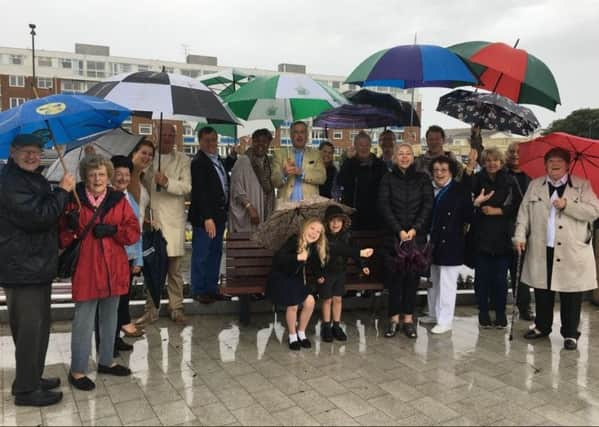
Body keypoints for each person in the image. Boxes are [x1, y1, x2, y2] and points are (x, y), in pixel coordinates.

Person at [0, 134, 74, 407]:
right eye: (26, 152)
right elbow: (39, 216)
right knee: (30, 329)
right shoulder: (9, 182)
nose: (33, 157)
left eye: (36, 152)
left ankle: (31, 377)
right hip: (23, 267)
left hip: (36, 264)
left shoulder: (29, 177)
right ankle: (26, 391)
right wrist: (63, 191)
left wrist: (59, 192)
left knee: (40, 327)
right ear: (13, 152)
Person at [60, 155, 140, 391]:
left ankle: (106, 361)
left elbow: (133, 232)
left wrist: (114, 229)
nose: (97, 179)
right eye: (93, 174)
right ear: (86, 176)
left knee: (110, 318)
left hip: (114, 268)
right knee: (83, 321)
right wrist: (69, 224)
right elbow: (62, 237)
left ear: (109, 176)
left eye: (102, 174)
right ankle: (77, 370)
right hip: (86, 268)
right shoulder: (74, 199)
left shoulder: (119, 200)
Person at [514, 147, 599, 350]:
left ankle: (570, 333)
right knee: (542, 289)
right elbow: (523, 214)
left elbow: (594, 211)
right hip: (542, 247)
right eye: (550, 160)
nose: (555, 163)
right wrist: (519, 236)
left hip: (571, 249)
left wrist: (567, 205)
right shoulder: (535, 185)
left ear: (568, 164)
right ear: (545, 164)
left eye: (559, 160)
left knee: (571, 292)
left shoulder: (582, 185)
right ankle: (542, 327)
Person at [135, 123, 191, 326]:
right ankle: (152, 309)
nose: (167, 138)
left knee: (174, 271)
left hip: (174, 222)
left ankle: (176, 307)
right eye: (164, 134)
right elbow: (139, 187)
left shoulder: (183, 159)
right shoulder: (149, 158)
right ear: (157, 135)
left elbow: (186, 187)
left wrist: (166, 181)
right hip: (153, 221)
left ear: (175, 137)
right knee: (152, 268)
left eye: (171, 135)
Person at [379, 143, 433, 339]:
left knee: (412, 280)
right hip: (394, 237)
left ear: (413, 156)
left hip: (415, 237)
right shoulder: (387, 178)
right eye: (400, 154)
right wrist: (399, 230)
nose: (404, 157)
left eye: (407, 154)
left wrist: (414, 228)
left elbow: (428, 205)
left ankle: (408, 320)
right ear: (395, 157)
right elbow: (384, 205)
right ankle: (393, 319)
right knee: (395, 281)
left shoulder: (423, 178)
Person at [465, 147, 519, 329]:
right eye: (488, 160)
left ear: (501, 162)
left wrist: (499, 211)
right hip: (481, 236)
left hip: (503, 237)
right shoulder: (478, 179)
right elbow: (466, 198)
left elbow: (518, 206)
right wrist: (477, 204)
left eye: (495, 160)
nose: (491, 163)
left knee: (500, 279)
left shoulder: (510, 180)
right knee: (482, 279)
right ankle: (483, 312)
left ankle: (501, 312)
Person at [422, 156, 472, 334]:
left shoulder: (459, 190)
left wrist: (476, 204)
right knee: (433, 279)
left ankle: (445, 320)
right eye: (436, 170)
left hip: (452, 241)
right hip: (432, 240)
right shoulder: (428, 188)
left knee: (447, 282)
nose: (439, 173)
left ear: (451, 171)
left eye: (443, 170)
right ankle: (433, 314)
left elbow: (468, 215)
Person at [267, 218, 327, 350]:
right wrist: (297, 257)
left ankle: (301, 332)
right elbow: (278, 258)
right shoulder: (294, 240)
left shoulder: (311, 247)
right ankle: (292, 335)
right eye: (312, 228)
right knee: (293, 304)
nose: (314, 233)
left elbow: (314, 265)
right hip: (281, 278)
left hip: (296, 280)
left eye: (318, 232)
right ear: (305, 228)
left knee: (310, 301)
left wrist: (319, 276)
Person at [320, 205, 373, 342]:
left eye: (339, 220)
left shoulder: (347, 236)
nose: (335, 223)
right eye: (332, 220)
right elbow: (338, 250)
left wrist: (362, 265)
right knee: (327, 299)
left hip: (340, 272)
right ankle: (326, 326)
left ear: (343, 222)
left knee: (338, 299)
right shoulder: (323, 237)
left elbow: (354, 252)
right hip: (326, 273)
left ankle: (336, 326)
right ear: (326, 222)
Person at [109, 156, 144, 355]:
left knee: (122, 301)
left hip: (129, 259)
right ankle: (108, 342)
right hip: (113, 259)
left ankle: (116, 338)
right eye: (118, 174)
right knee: (110, 304)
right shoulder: (107, 199)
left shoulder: (130, 198)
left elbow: (137, 232)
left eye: (126, 175)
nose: (122, 178)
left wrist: (138, 260)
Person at [189, 126, 229, 304]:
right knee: (201, 254)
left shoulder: (217, 159)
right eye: (207, 140)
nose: (211, 143)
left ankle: (211, 288)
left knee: (215, 253)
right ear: (200, 142)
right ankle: (198, 290)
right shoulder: (198, 162)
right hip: (206, 219)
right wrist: (207, 218)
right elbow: (200, 192)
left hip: (219, 217)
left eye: (214, 139)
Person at [505, 142, 534, 320]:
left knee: (520, 271)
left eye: (518, 152)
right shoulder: (501, 173)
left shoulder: (531, 176)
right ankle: (495, 304)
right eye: (512, 151)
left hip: (524, 229)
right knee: (500, 271)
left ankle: (524, 306)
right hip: (502, 228)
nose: (515, 155)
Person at [337, 131, 387, 230]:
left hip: (375, 215)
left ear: (370, 146)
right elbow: (340, 181)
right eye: (360, 145)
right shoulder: (349, 163)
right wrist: (347, 160)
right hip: (353, 214)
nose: (364, 148)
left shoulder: (380, 165)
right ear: (355, 146)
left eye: (366, 145)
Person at [229, 128, 275, 232]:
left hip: (263, 213)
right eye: (257, 141)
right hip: (247, 215)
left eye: (264, 142)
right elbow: (236, 187)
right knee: (246, 245)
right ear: (252, 142)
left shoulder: (268, 163)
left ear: (268, 144)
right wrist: (249, 208)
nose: (260, 144)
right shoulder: (243, 160)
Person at [271, 121, 326, 205]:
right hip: (286, 206)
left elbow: (322, 177)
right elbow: (274, 181)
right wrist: (284, 174)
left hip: (309, 206)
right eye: (296, 132)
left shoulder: (316, 154)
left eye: (302, 132)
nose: (299, 135)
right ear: (291, 135)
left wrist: (302, 173)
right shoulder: (280, 154)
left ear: (307, 135)